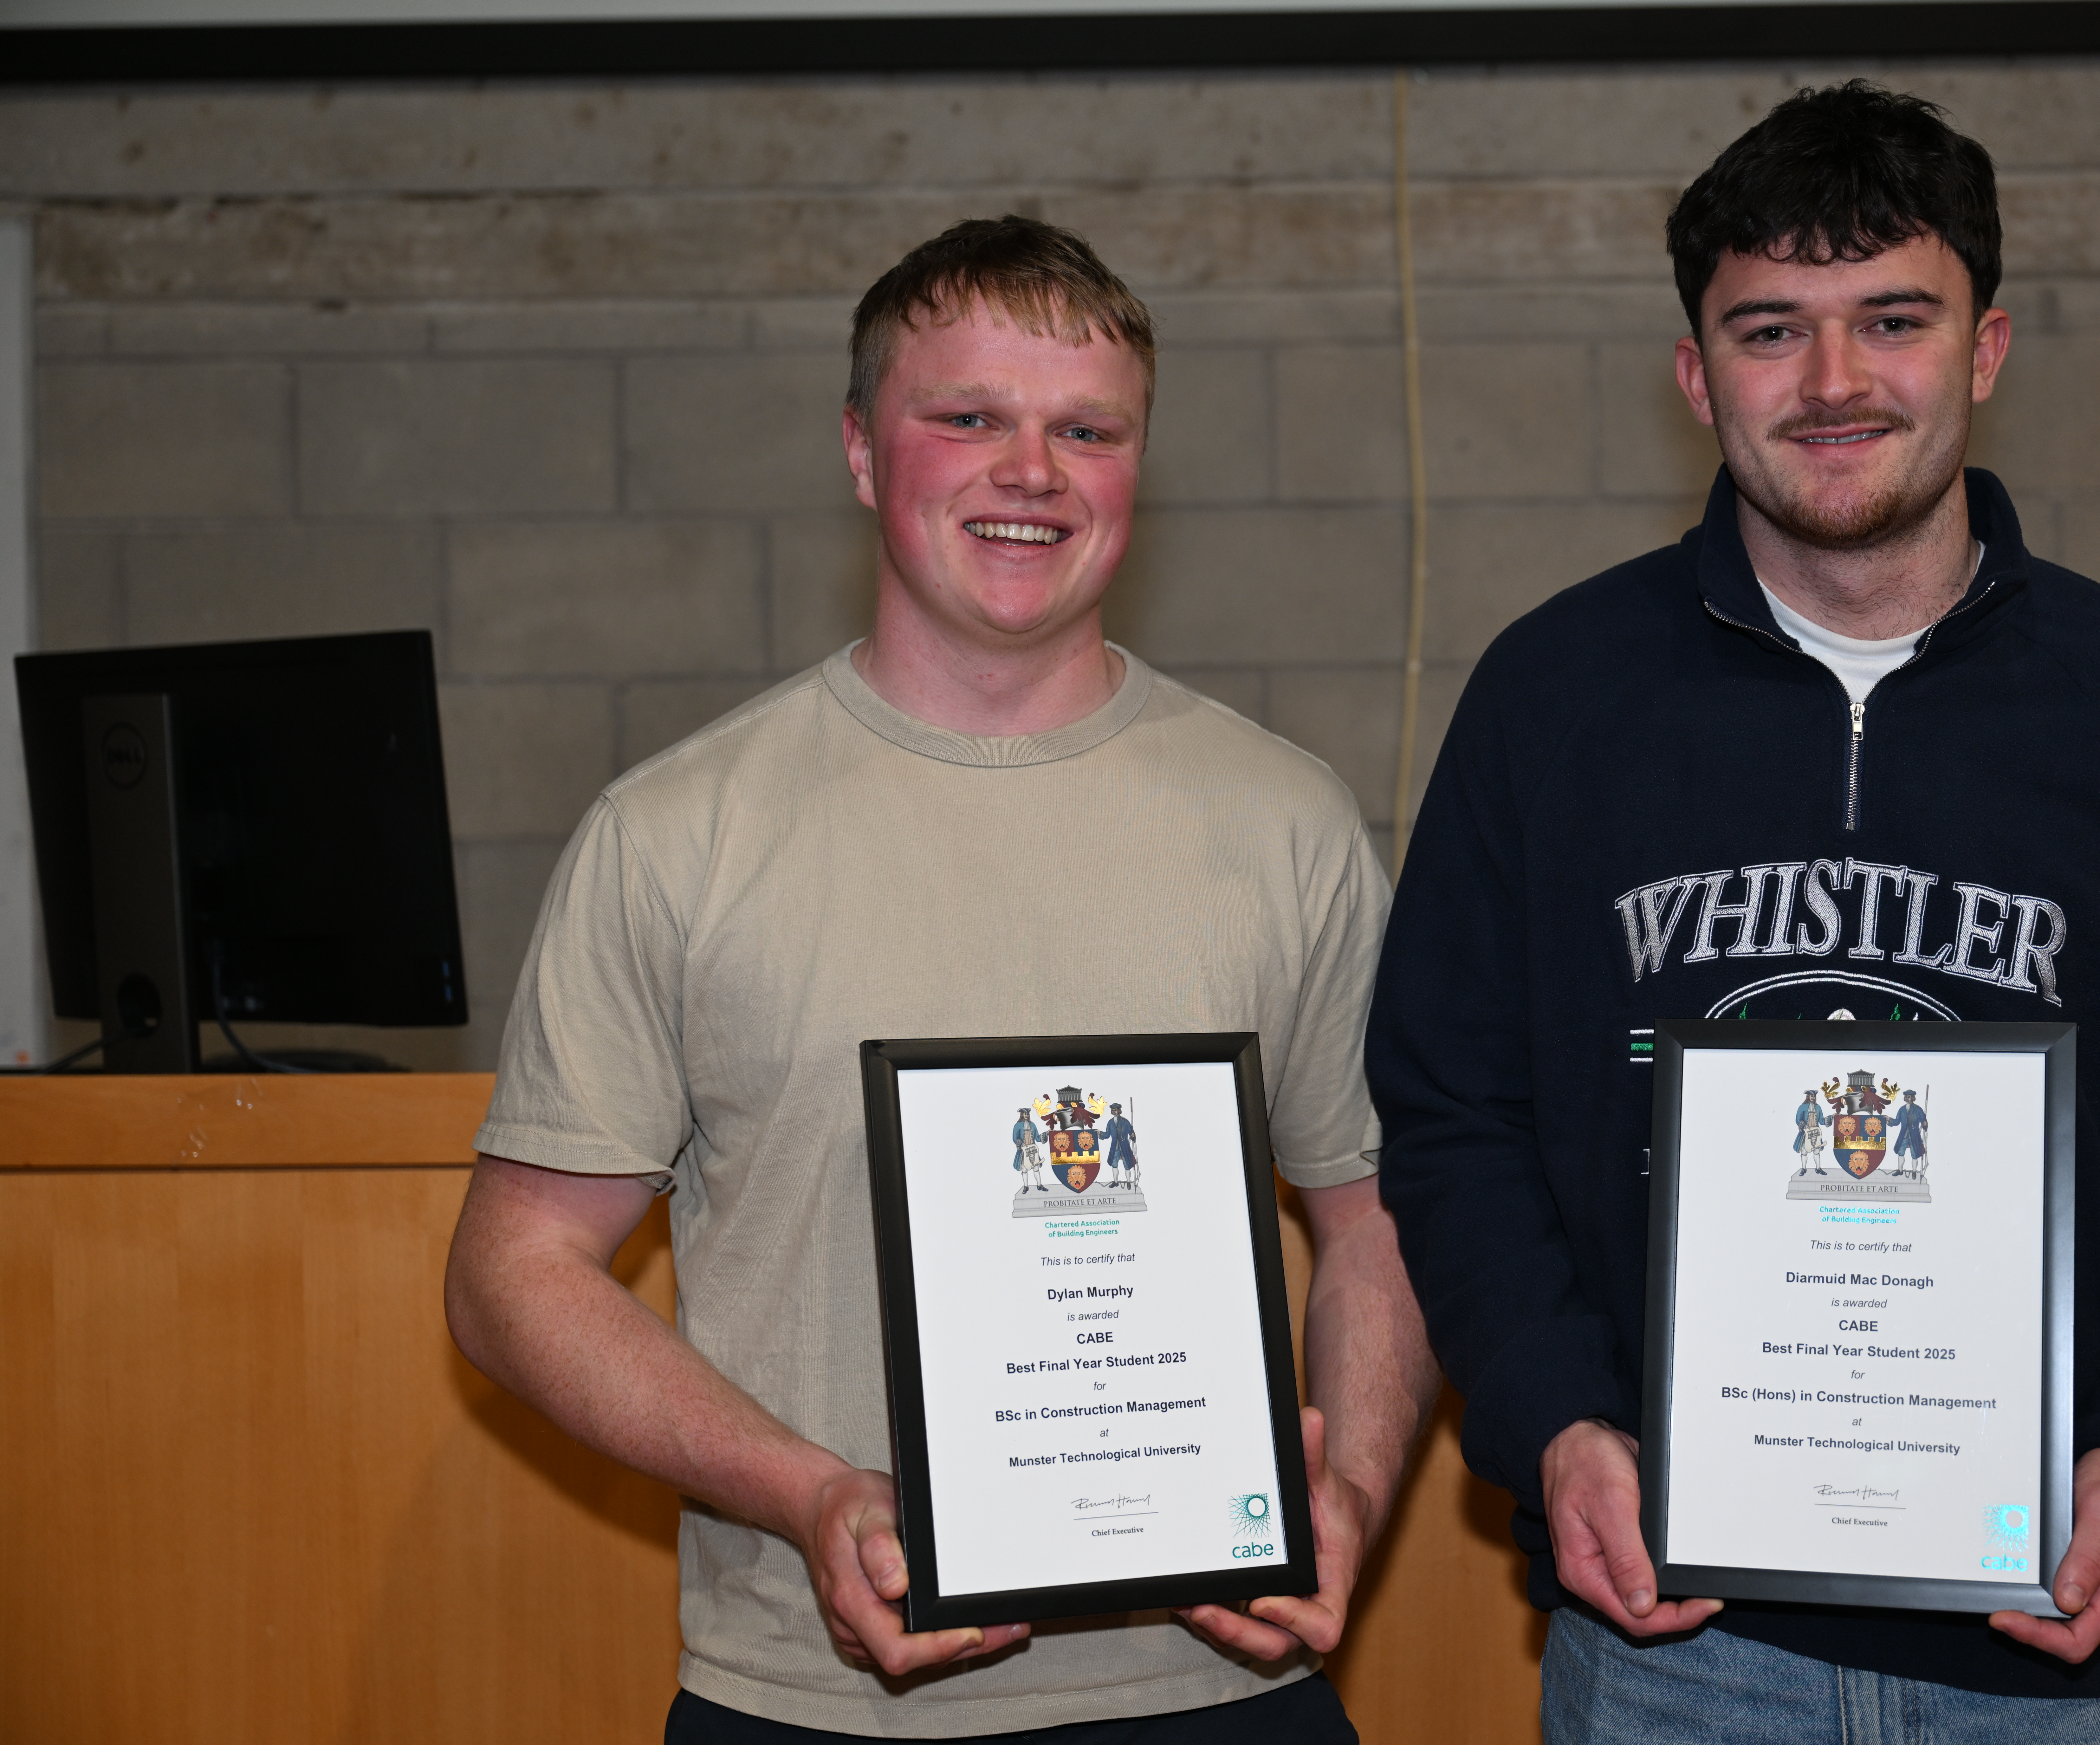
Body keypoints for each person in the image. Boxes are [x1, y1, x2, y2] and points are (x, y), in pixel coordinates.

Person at [1366, 82, 2100, 1742]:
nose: (1833, 384)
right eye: (1772, 331)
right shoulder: (1553, 704)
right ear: (1696, 374)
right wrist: (1553, 1423)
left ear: (1986, 348)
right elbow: (1455, 1119)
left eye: (1892, 319)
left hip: (2046, 1656)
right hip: (1672, 1659)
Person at [446, 216, 1437, 1743]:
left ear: (1133, 468)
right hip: (815, 1697)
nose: (1028, 470)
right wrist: (811, 1494)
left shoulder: (1284, 821)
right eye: (965, 417)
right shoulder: (675, 833)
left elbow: (1374, 1218)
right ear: (860, 451)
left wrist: (1353, 1485)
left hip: (1219, 1685)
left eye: (1084, 430)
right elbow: (513, 1274)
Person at [1891, 1087, 1929, 1174]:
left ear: (1913, 1098)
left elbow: (1924, 1121)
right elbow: (1897, 1122)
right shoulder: (1902, 1109)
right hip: (1904, 1135)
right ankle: (1900, 1170)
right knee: (1901, 1153)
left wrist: (1925, 1125)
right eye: (1906, 1097)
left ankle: (1914, 1172)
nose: (1907, 1099)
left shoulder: (1918, 1109)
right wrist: (1889, 1121)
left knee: (1914, 1154)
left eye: (1909, 1097)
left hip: (1914, 1136)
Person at [1014, 1104, 1048, 1194]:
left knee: (1036, 1167)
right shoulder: (1018, 1126)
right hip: (1023, 1152)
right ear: (1022, 1115)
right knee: (1024, 1170)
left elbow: (1037, 1138)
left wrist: (1047, 1134)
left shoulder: (1033, 1125)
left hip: (1033, 1150)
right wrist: (1022, 1144)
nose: (1027, 1116)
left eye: (1028, 1114)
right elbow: (1015, 1138)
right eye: (1025, 1114)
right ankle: (1026, 1186)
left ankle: (1039, 1185)